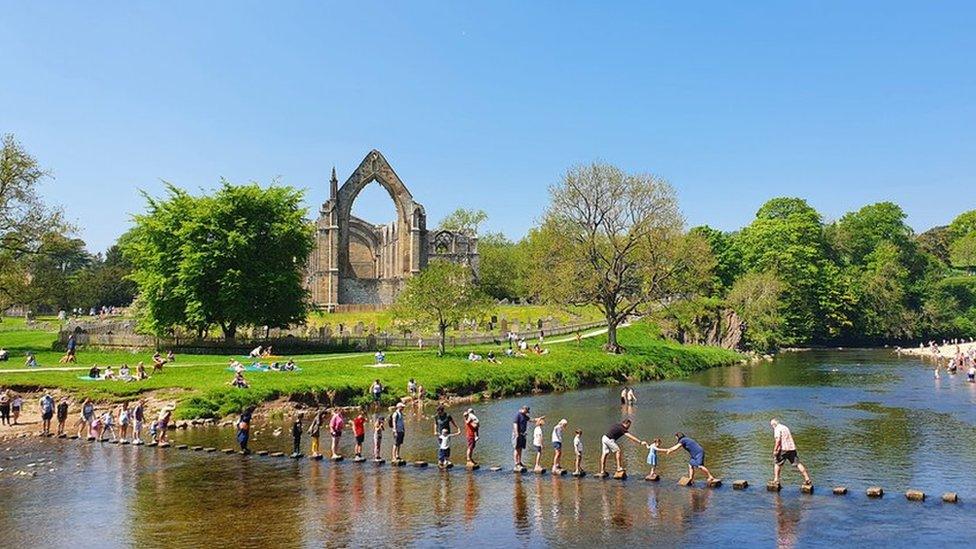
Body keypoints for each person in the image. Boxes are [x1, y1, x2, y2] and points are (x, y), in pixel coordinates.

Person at [770, 419, 812, 486]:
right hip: (792, 448)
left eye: (772, 425)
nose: (772, 427)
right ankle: (807, 479)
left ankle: (776, 480)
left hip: (783, 449)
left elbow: (778, 440)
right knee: (798, 463)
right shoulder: (785, 427)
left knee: (777, 463)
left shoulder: (777, 429)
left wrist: (775, 450)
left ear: (774, 424)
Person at [512, 406, 543, 471]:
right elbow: (515, 424)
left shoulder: (524, 415)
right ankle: (516, 464)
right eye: (527, 411)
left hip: (523, 434)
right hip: (517, 434)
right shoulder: (518, 415)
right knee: (516, 449)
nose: (527, 413)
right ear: (524, 409)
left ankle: (519, 462)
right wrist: (517, 433)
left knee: (520, 449)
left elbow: (531, 420)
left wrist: (538, 419)